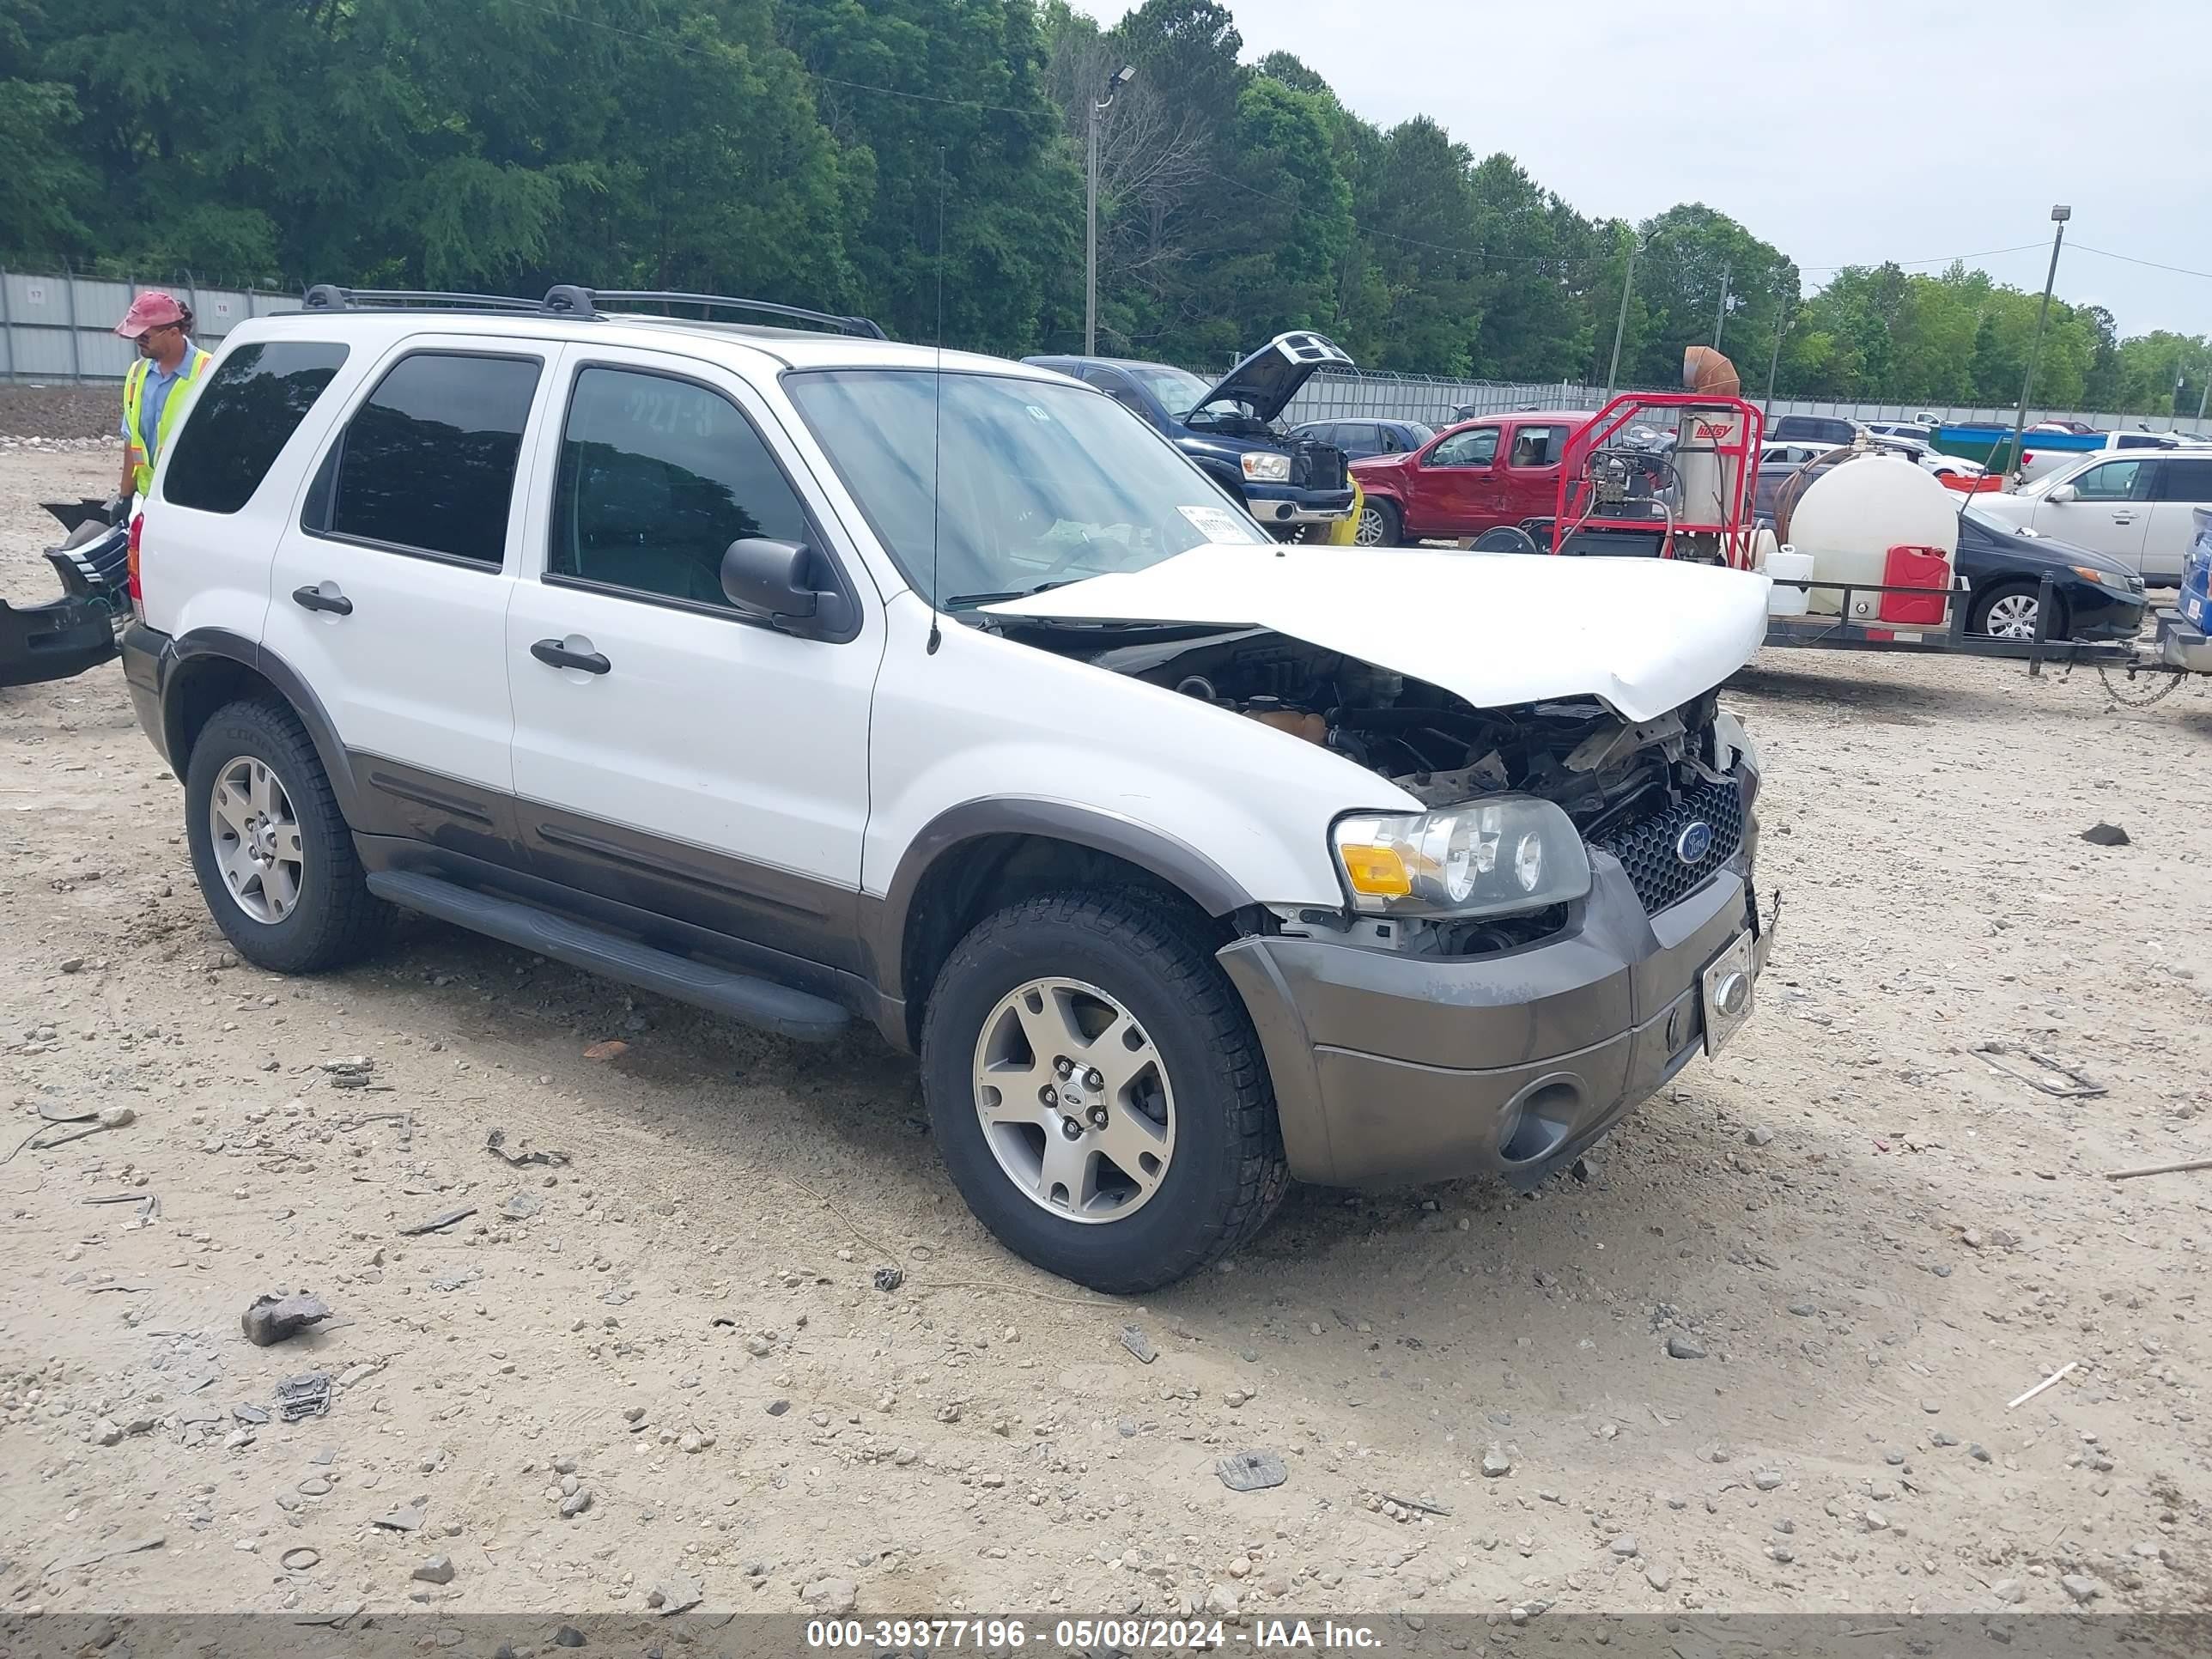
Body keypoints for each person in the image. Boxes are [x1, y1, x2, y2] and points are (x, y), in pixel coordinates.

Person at [112, 291, 213, 504]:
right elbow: (131, 441)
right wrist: (125, 496)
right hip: (147, 497)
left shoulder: (210, 373)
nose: (138, 342)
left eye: (144, 336)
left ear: (174, 333)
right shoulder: (136, 374)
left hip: (190, 500)